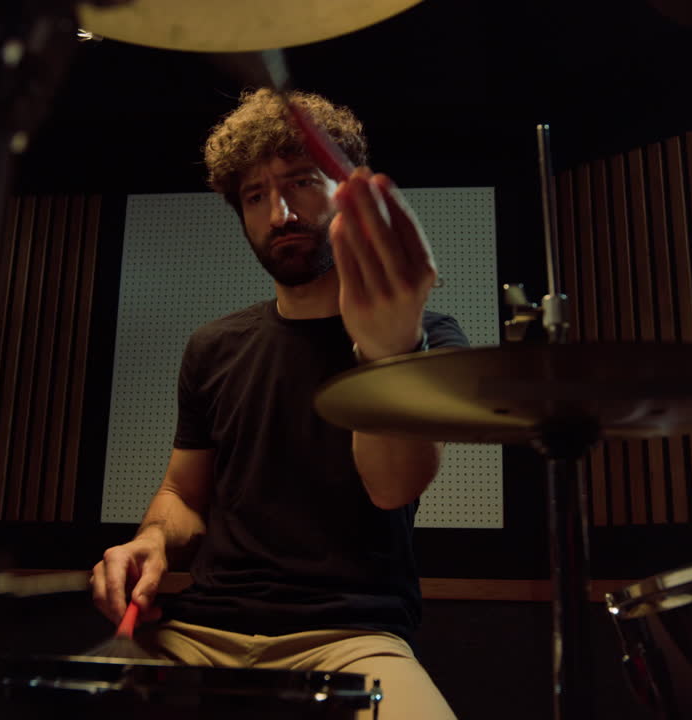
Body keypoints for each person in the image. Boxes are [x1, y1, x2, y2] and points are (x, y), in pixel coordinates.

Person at [90, 88, 467, 719]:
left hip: (350, 637)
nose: (280, 213)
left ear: (347, 193)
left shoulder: (426, 335)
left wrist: (386, 350)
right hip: (199, 632)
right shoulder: (213, 346)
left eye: (301, 183)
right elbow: (183, 494)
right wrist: (151, 540)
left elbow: (394, 486)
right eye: (255, 196)